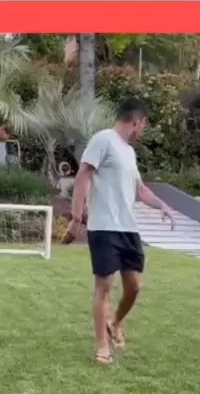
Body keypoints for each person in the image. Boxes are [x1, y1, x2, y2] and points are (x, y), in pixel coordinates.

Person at [62, 97, 174, 364]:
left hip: (128, 229)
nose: (142, 130)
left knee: (134, 287)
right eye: (143, 125)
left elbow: (139, 190)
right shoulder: (104, 140)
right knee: (104, 287)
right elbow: (83, 174)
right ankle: (102, 346)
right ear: (137, 121)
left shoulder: (129, 152)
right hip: (104, 227)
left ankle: (115, 323)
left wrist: (162, 205)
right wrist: (77, 217)